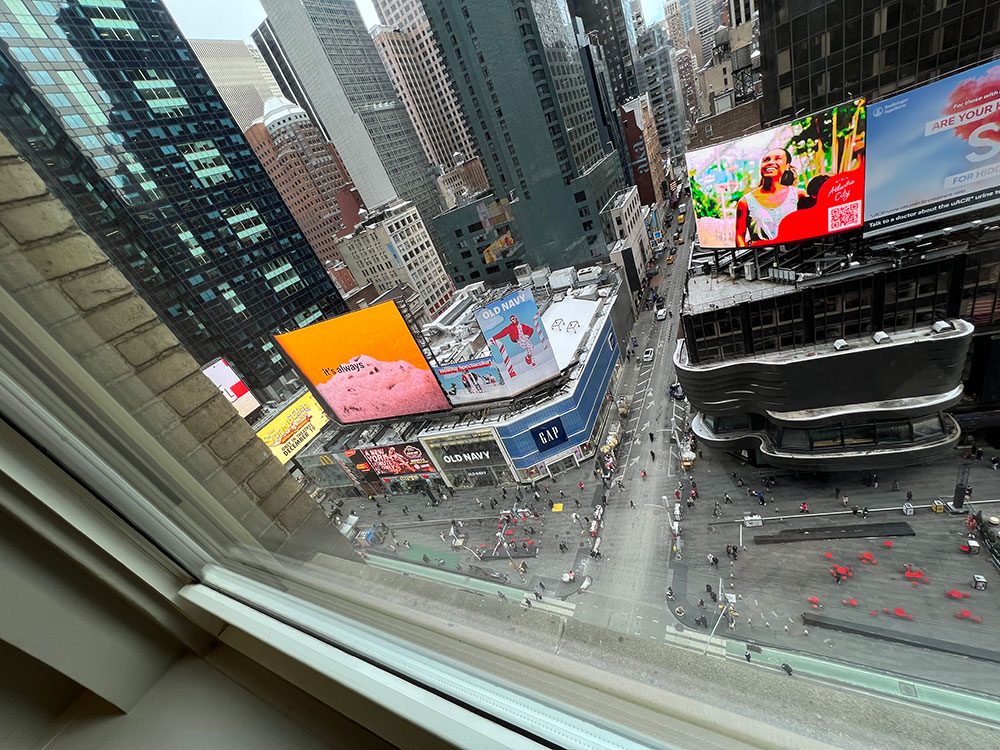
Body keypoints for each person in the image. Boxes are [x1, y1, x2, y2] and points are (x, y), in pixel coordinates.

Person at [734, 148, 806, 247]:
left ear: (787, 166)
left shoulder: (799, 195)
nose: (771, 162)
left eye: (777, 159)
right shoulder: (745, 202)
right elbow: (739, 236)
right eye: (766, 160)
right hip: (761, 256)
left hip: (793, 255)